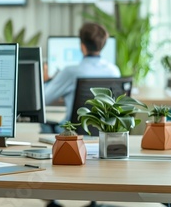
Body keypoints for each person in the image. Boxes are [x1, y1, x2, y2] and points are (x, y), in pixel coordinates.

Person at [42, 22, 120, 207]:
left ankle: (50, 193)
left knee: (47, 125)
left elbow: (43, 99)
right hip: (104, 135)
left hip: (73, 137)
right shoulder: (113, 70)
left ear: (82, 46)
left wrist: (48, 81)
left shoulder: (71, 72)